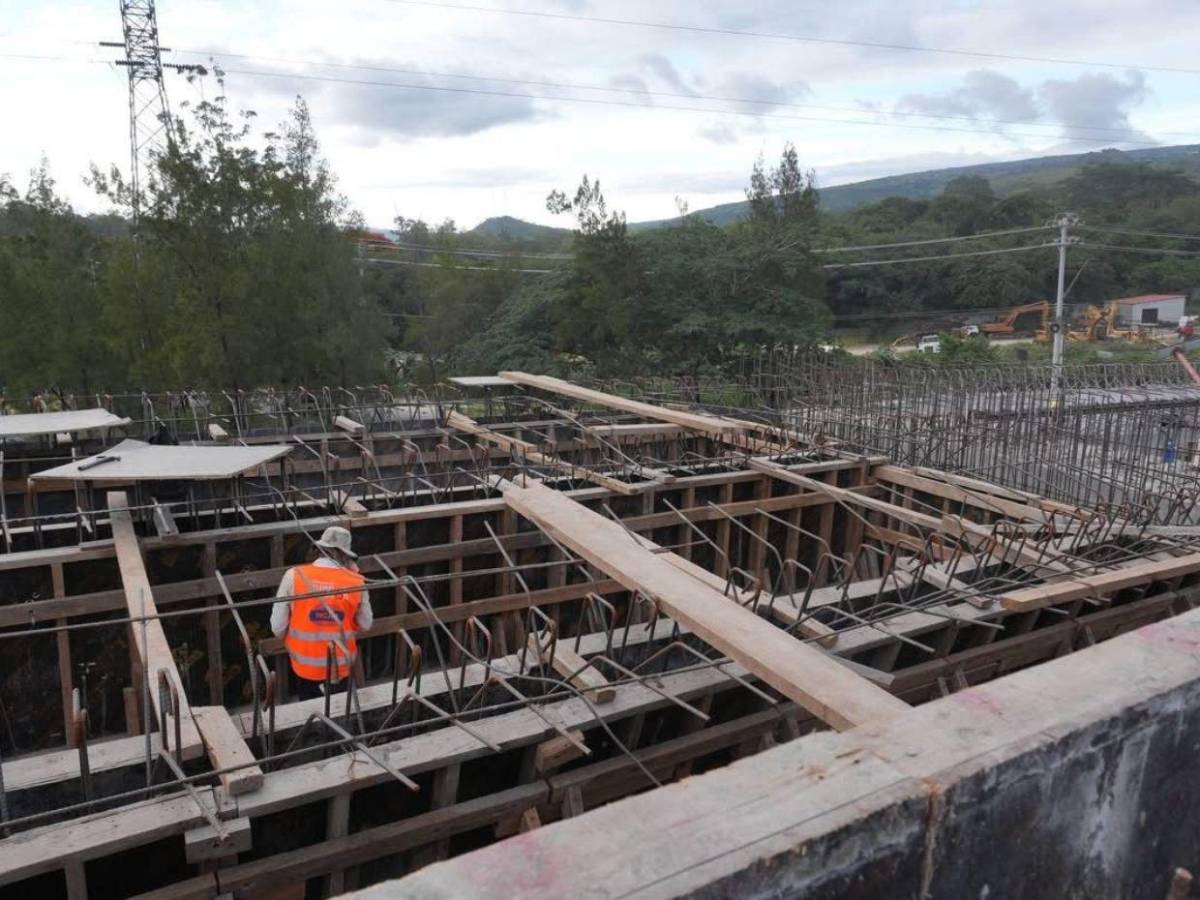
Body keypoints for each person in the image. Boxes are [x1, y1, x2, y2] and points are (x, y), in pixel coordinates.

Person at [271, 526, 372, 700]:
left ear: (319, 549)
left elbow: (277, 628)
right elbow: (366, 624)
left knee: (310, 709)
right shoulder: (356, 581)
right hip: (341, 666)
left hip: (304, 666)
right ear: (346, 554)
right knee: (341, 708)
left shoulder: (294, 575)